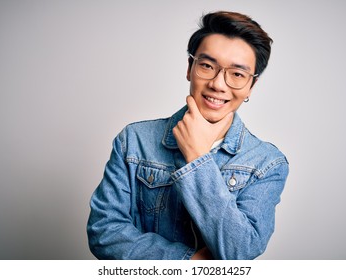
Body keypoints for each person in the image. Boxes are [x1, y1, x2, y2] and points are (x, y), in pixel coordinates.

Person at [87, 11, 289, 260]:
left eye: (237, 74)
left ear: (251, 86)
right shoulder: (134, 141)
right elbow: (104, 233)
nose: (218, 83)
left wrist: (197, 159)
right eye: (207, 65)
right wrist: (188, 263)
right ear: (189, 68)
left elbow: (240, 251)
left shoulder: (268, 163)